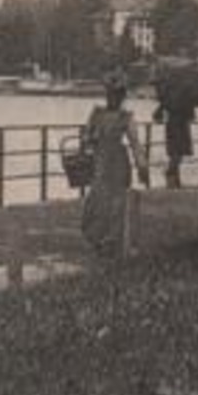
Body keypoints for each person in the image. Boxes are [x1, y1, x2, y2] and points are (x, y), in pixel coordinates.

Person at [79, 72, 149, 258]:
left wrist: (142, 166)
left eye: (117, 94)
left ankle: (110, 240)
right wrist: (90, 139)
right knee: (97, 199)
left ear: (122, 96)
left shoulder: (125, 117)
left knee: (116, 200)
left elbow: (135, 143)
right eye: (111, 93)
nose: (113, 97)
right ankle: (98, 238)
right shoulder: (97, 113)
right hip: (101, 159)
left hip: (116, 160)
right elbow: (85, 137)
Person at [152, 64, 198, 188]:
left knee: (176, 153)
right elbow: (191, 110)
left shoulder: (172, 96)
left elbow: (163, 108)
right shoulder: (183, 96)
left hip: (173, 123)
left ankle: (174, 178)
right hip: (179, 124)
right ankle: (172, 176)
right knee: (178, 152)